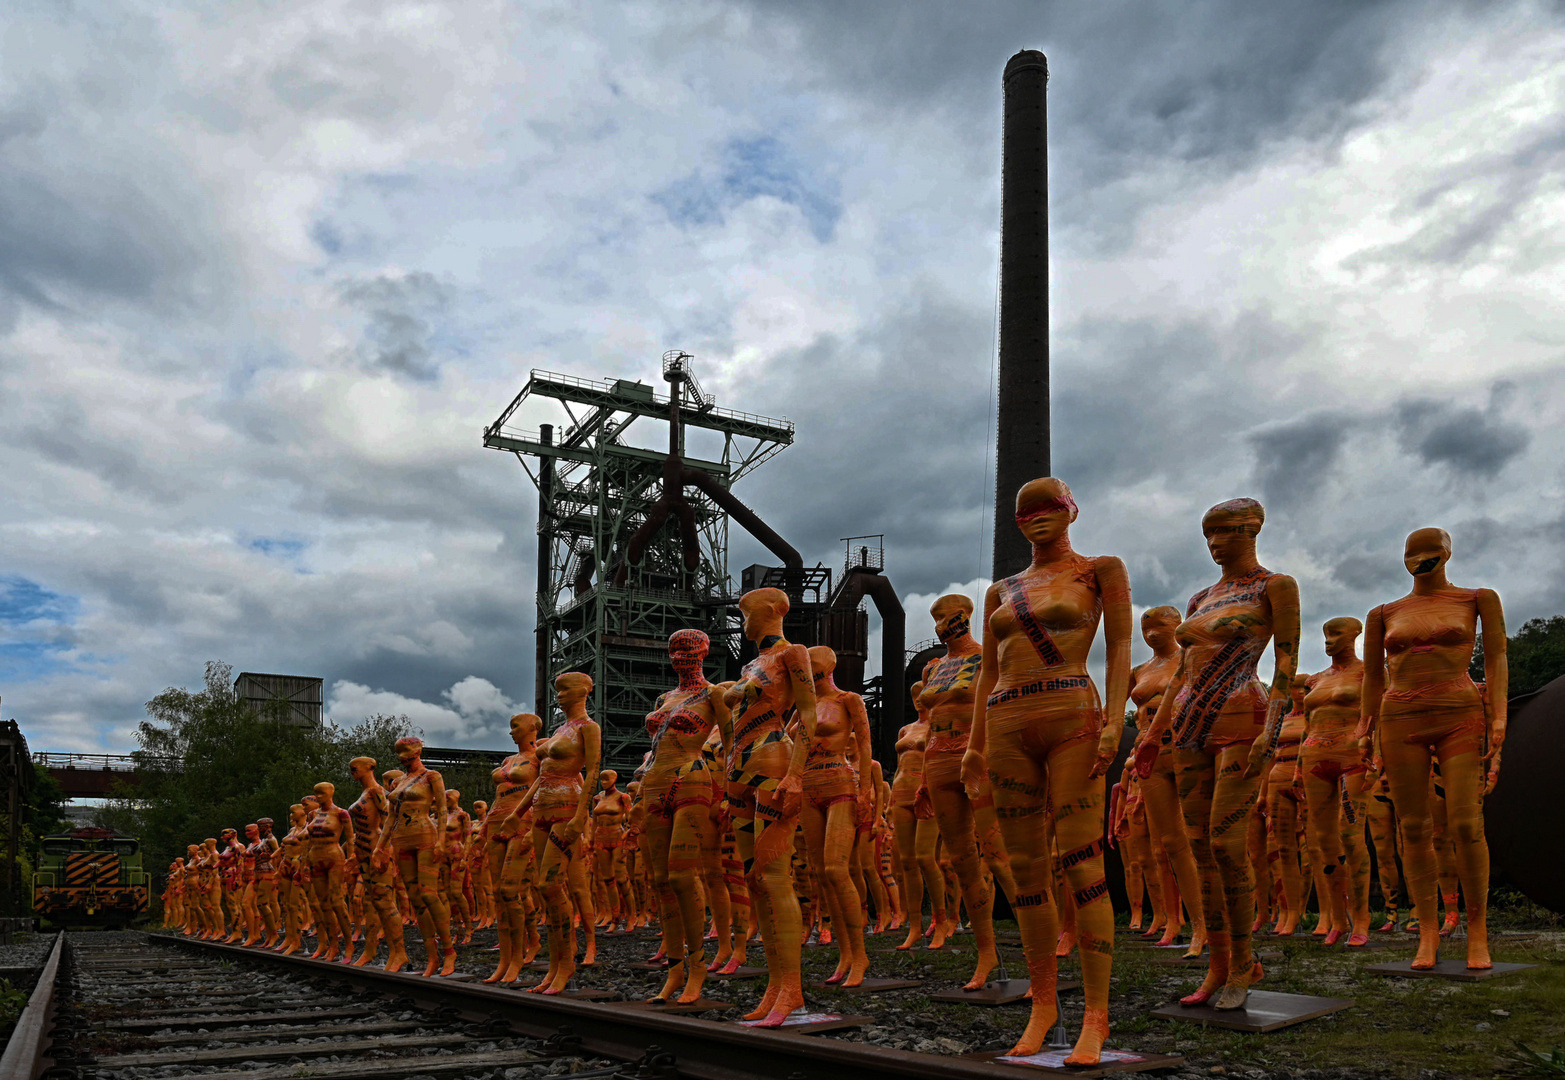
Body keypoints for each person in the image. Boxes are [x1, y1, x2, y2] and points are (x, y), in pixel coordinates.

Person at [964, 477, 1132, 1062]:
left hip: (1071, 713)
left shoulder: (1099, 570)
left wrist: (1115, 719)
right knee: (1028, 872)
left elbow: (1117, 647)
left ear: (1070, 512)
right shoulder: (1001, 590)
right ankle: (1042, 1003)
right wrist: (974, 745)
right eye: (1027, 512)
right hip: (1007, 718)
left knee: (1082, 866)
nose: (1039, 518)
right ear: (1016, 522)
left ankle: (1095, 1014)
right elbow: (987, 672)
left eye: (1050, 508)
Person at [1135, 497, 1299, 1012]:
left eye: (1224, 532)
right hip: (1187, 726)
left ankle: (1244, 964)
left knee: (1229, 845)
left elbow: (1287, 658)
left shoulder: (1275, 587)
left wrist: (1271, 732)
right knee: (1200, 846)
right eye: (1208, 534)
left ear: (1250, 530)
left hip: (1240, 717)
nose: (1214, 543)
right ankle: (1219, 963)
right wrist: (1150, 735)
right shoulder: (1202, 597)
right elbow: (1182, 672)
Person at [1358, 527, 1507, 970]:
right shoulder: (1384, 612)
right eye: (1412, 553)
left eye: (1432, 552)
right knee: (1415, 828)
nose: (1421, 560)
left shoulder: (1477, 599)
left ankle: (1476, 929)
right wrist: (1365, 726)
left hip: (1458, 712)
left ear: (1448, 554)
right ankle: (1426, 930)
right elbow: (1372, 674)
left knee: (1464, 822)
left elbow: (1497, 656)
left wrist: (1498, 717)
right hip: (1401, 715)